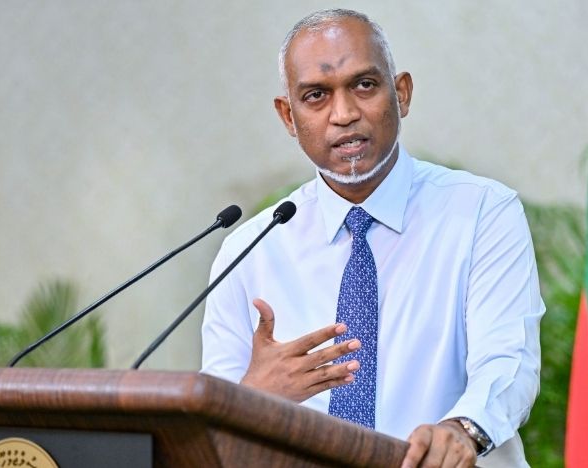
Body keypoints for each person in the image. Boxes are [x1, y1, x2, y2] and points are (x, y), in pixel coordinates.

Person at [201, 9, 544, 468]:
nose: (344, 114)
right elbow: (211, 434)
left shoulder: (482, 212)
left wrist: (462, 430)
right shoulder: (250, 252)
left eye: (364, 85)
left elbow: (509, 361)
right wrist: (252, 397)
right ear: (288, 116)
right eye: (316, 95)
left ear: (401, 93)